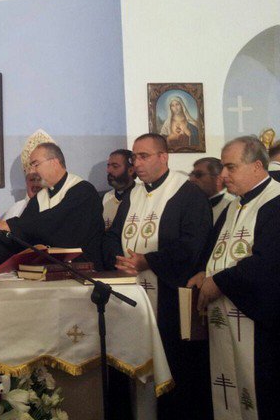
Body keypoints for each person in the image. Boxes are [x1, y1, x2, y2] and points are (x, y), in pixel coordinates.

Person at [103, 133, 213, 419]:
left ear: (163, 157)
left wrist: (147, 261)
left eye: (144, 156)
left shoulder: (187, 194)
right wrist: (120, 259)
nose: (136, 163)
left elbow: (192, 244)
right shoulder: (133, 195)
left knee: (172, 372)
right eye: (134, 157)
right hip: (131, 292)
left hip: (169, 301)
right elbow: (113, 234)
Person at [189, 136, 280, 419]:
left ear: (256, 166)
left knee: (260, 393)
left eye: (230, 167)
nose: (224, 175)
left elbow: (269, 263)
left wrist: (220, 281)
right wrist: (203, 271)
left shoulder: (275, 201)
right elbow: (215, 248)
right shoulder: (233, 205)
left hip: (261, 325)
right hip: (225, 319)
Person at [0, 141, 105, 271]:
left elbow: (54, 222)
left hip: (84, 272)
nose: (33, 171)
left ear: (54, 162)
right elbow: (23, 237)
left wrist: (9, 225)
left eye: (36, 164)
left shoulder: (83, 191)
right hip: (49, 272)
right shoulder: (39, 198)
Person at [2, 129, 54, 220]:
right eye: (32, 179)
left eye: (41, 179)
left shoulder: (63, 208)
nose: (37, 184)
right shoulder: (15, 213)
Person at [189, 157, 234, 224]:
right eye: (191, 174)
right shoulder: (191, 204)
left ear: (218, 180)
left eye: (198, 175)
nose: (192, 179)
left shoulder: (231, 205)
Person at [102, 149, 136, 230]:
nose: (108, 170)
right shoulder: (105, 198)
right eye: (108, 166)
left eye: (115, 166)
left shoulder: (142, 195)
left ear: (130, 170)